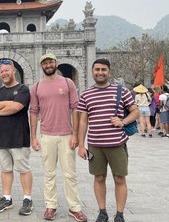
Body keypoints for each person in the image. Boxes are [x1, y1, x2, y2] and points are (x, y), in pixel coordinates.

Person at [77, 59, 139, 222]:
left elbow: (135, 112)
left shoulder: (122, 91)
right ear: (92, 72)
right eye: (97, 69)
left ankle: (119, 214)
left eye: (104, 69)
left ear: (109, 72)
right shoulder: (86, 94)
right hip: (94, 146)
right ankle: (102, 212)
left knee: (119, 178)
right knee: (98, 177)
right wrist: (81, 145)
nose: (100, 72)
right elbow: (83, 121)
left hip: (117, 144)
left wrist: (123, 121)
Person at [30, 53, 88, 222]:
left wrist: (75, 134)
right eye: (45, 63)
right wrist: (33, 137)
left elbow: (76, 108)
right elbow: (33, 112)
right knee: (49, 173)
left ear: (56, 63)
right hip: (47, 135)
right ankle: (51, 206)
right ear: (41, 66)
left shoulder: (67, 82)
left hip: (66, 135)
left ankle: (75, 208)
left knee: (70, 174)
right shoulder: (37, 86)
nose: (48, 65)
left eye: (50, 62)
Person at [0, 59, 33, 216]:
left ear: (13, 71)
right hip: (0, 138)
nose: (4, 73)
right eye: (2, 71)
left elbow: (16, 107)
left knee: (23, 169)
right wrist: (7, 104)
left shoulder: (23, 89)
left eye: (7, 70)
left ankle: (27, 199)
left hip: (19, 137)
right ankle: (7, 198)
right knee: (6, 169)